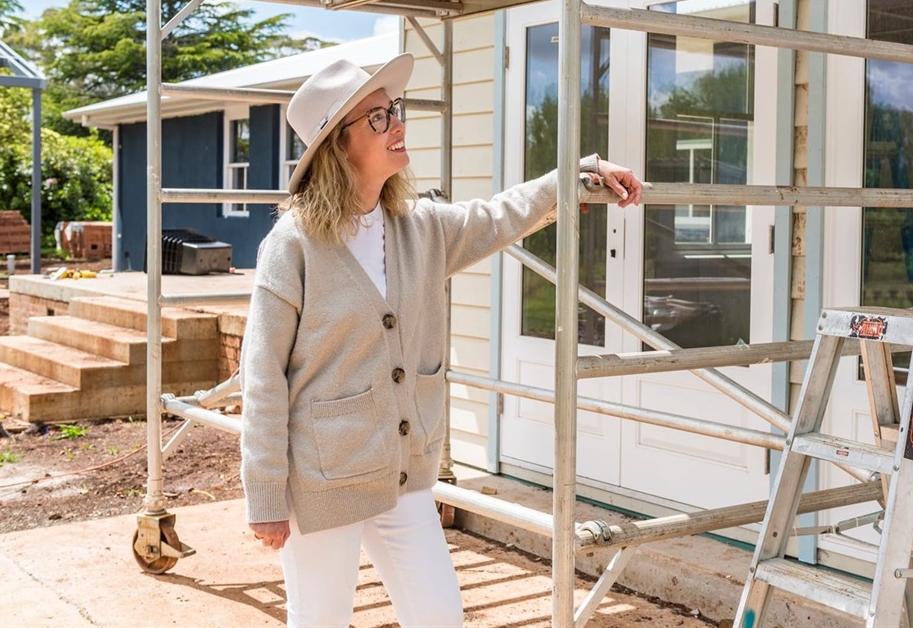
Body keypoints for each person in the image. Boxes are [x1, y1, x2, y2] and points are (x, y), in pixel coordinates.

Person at [239, 52, 643, 628]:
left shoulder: (419, 228)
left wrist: (578, 173)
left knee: (440, 617)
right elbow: (263, 379)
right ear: (337, 145)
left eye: (394, 110)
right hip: (323, 480)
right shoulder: (292, 246)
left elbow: (499, 215)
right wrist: (266, 495)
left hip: (404, 475)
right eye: (378, 118)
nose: (398, 125)